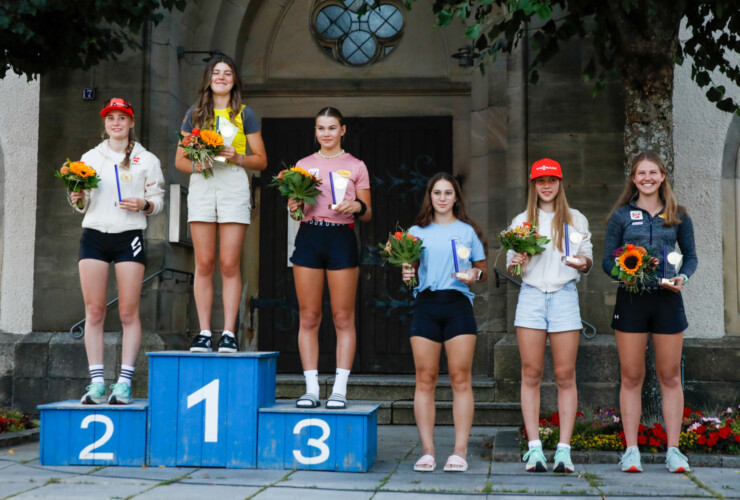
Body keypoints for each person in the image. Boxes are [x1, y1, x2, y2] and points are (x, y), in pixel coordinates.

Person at [602, 151, 697, 474]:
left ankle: (674, 451)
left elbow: (692, 258)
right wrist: (625, 275)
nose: (647, 178)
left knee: (670, 376)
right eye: (641, 173)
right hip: (631, 301)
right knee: (632, 377)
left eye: (653, 172)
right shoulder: (620, 217)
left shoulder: (678, 215)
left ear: (662, 176)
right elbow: (606, 263)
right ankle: (631, 451)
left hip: (668, 301)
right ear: (633, 178)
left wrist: (682, 277)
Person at [71, 97, 165, 405]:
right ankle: (96, 382)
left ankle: (123, 383)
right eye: (111, 118)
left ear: (131, 122)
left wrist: (144, 204)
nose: (116, 123)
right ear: (105, 123)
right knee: (94, 310)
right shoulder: (90, 157)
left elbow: (158, 199)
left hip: (129, 236)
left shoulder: (146, 159)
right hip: (95, 235)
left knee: (127, 311)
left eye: (122, 118)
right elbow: (80, 202)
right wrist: (77, 197)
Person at [175, 54, 267, 353]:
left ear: (234, 80)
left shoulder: (245, 114)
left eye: (228, 73)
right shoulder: (195, 114)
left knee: (229, 263)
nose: (222, 77)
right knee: (204, 262)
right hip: (203, 184)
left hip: (233, 184)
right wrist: (199, 165)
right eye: (217, 72)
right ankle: (203, 332)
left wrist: (237, 156)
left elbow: (261, 160)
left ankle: (228, 332)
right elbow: (180, 161)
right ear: (209, 79)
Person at [507, 158, 593, 473]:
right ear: (533, 185)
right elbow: (512, 267)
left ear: (560, 183)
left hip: (564, 297)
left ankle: (564, 450)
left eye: (552, 180)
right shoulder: (521, 220)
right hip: (530, 297)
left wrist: (582, 264)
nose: (546, 186)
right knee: (530, 373)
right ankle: (534, 449)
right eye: (541, 181)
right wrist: (518, 259)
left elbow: (588, 260)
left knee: (564, 375)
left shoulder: (575, 219)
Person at [401, 172, 488, 473]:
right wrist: (407, 274)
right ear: (430, 197)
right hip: (426, 305)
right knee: (425, 379)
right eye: (437, 193)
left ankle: (459, 452)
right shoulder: (416, 230)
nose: (442, 198)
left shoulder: (467, 231)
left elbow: (481, 269)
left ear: (456, 197)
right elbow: (409, 267)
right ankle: (427, 452)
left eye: (447, 193)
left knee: (460, 379)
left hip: (458, 306)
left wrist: (474, 275)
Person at [287, 107, 372, 410]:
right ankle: (311, 389)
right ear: (315, 131)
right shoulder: (303, 164)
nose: (326, 134)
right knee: (309, 316)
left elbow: (368, 211)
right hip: (309, 236)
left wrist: (356, 207)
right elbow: (296, 211)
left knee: (342, 317)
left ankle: (339, 389)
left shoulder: (356, 165)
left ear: (343, 130)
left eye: (332, 128)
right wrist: (294, 206)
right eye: (321, 128)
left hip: (341, 236)